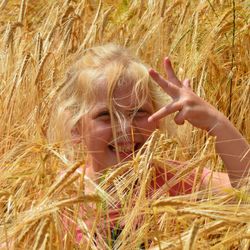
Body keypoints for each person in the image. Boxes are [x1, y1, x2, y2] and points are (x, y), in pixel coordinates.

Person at [48, 43, 249, 246]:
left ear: (159, 117)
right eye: (105, 115)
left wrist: (215, 122)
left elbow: (246, 193)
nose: (125, 129)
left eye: (138, 112)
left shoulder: (174, 181)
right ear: (76, 127)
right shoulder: (65, 195)